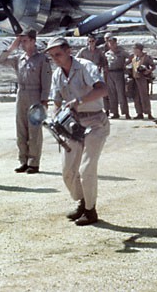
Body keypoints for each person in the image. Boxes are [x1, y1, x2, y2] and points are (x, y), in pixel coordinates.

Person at [45, 37, 110, 226]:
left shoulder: (85, 66)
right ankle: (83, 202)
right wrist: (54, 118)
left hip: (96, 122)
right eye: (52, 56)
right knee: (67, 171)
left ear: (68, 51)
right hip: (72, 125)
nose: (55, 58)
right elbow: (55, 101)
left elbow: (103, 89)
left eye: (58, 54)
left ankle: (91, 211)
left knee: (86, 168)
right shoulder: (57, 74)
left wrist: (79, 101)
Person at [0, 29, 52, 174]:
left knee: (34, 130)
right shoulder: (18, 59)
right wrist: (12, 47)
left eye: (25, 40)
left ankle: (34, 162)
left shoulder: (42, 59)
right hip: (21, 94)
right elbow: (0, 61)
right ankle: (23, 160)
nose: (22, 44)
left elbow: (46, 80)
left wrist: (44, 99)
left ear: (33, 41)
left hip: (35, 94)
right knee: (21, 128)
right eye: (21, 41)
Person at [105, 36, 131, 119]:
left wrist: (125, 64)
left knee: (121, 94)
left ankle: (125, 112)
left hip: (119, 72)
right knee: (112, 94)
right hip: (110, 74)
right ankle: (114, 112)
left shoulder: (121, 52)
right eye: (110, 43)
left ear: (116, 43)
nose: (111, 44)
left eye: (113, 43)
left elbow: (131, 57)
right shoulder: (107, 54)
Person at [130, 43, 155, 119]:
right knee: (136, 97)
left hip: (143, 79)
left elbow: (153, 66)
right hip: (135, 79)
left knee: (144, 96)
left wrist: (148, 71)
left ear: (139, 49)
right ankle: (139, 113)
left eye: (135, 49)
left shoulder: (146, 57)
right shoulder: (134, 58)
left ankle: (148, 113)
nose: (134, 50)